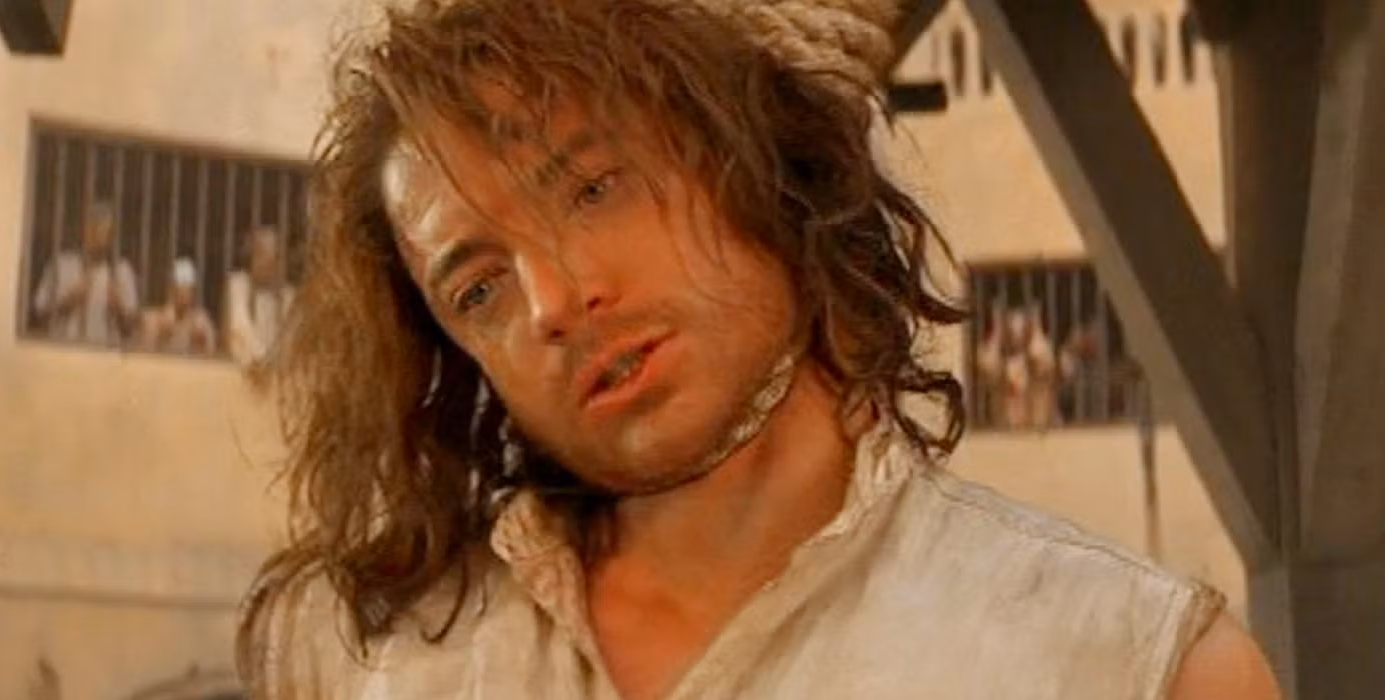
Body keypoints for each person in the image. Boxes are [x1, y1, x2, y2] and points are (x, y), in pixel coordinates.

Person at [238, 1, 1279, 699]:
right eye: (478, 287)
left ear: (765, 170)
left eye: (594, 189)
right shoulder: (361, 660)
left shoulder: (1130, 664)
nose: (553, 300)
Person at [31, 200, 140, 346]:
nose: (98, 236)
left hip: (106, 354)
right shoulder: (61, 265)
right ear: (83, 230)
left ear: (112, 236)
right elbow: (39, 314)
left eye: (104, 231)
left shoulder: (122, 271)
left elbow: (133, 329)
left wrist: (119, 310)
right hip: (63, 351)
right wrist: (68, 302)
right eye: (93, 229)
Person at [223, 226, 294, 366]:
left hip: (278, 369)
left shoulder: (287, 296)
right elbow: (232, 333)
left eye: (273, 258)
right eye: (259, 254)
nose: (263, 263)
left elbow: (290, 340)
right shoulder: (237, 285)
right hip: (239, 367)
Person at [134, 257, 218, 355]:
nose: (184, 294)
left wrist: (203, 339)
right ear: (170, 291)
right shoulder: (154, 319)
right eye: (180, 289)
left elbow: (212, 353)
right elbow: (142, 355)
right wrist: (160, 333)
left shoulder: (199, 320)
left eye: (188, 290)